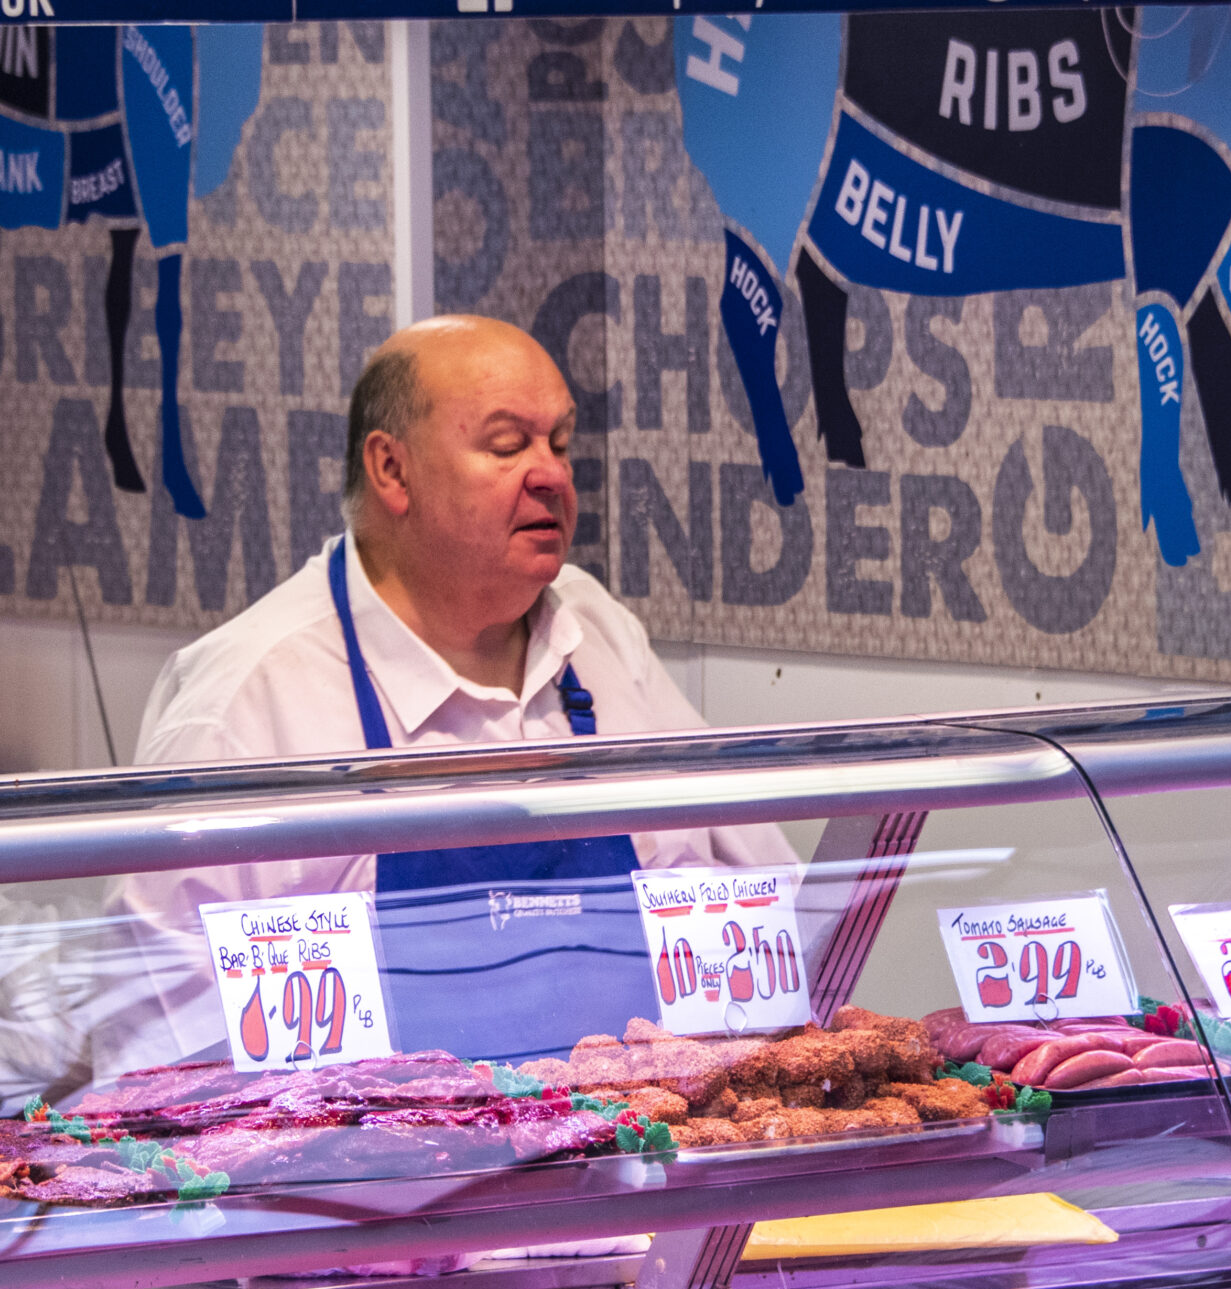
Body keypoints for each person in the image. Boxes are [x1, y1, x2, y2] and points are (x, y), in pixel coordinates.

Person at [110, 315, 794, 1072]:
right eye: (507, 445)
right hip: (373, 1147)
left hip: (634, 1132)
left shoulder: (598, 631)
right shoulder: (249, 696)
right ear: (392, 470)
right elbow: (162, 1050)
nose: (552, 475)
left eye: (560, 443)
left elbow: (776, 917)